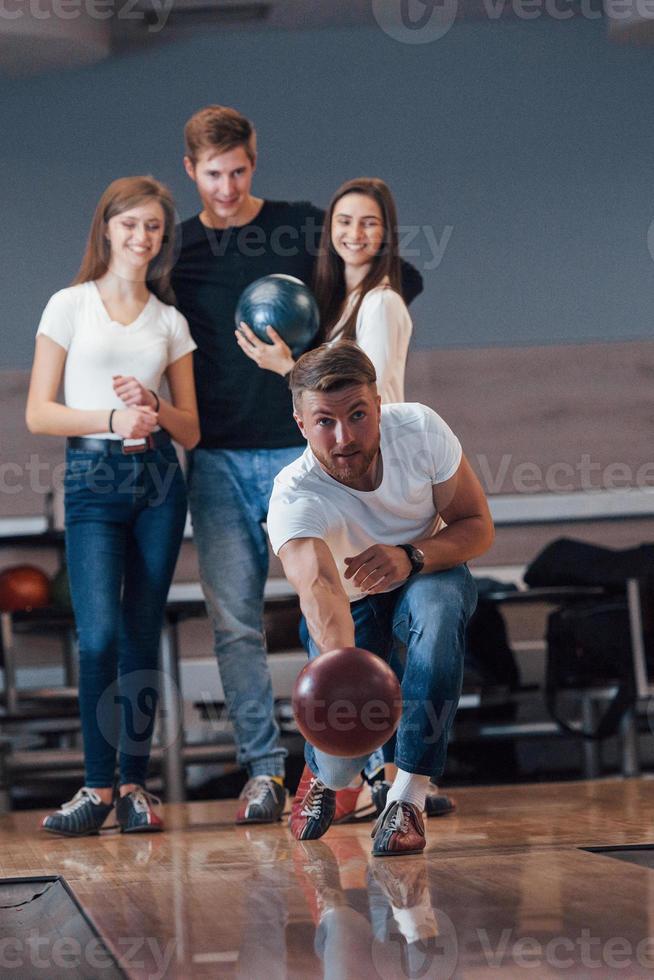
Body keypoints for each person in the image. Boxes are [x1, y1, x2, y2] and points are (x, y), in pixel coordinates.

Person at [172, 105, 423, 824]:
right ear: (191, 172)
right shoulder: (179, 251)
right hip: (216, 460)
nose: (228, 186)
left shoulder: (300, 225)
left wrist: (304, 364)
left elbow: (391, 276)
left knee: (332, 613)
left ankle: (361, 768)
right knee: (236, 624)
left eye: (241, 171)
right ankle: (262, 772)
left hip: (300, 456)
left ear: (256, 161)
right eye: (214, 174)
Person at [266, 342, 494, 855]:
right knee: (347, 750)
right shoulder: (294, 494)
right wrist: (347, 679)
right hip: (351, 604)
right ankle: (326, 772)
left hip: (425, 569)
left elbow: (476, 527)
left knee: (437, 616)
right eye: (325, 422)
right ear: (301, 424)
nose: (344, 437)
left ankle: (407, 800)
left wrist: (410, 555)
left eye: (358, 415)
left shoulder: (419, 430)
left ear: (379, 402)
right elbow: (321, 590)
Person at [26, 176, 200, 836]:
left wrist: (154, 408)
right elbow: (40, 413)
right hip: (93, 480)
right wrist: (112, 415)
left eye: (153, 227)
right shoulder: (69, 306)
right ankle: (95, 787)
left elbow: (193, 430)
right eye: (130, 225)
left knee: (139, 635)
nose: (142, 237)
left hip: (159, 483)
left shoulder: (170, 321)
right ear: (107, 229)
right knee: (97, 635)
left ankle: (134, 785)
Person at [236, 176, 412, 405]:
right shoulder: (340, 301)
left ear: (386, 232)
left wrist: (288, 368)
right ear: (330, 227)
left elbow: (363, 395)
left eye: (369, 223)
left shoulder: (381, 302)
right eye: (345, 221)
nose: (355, 234)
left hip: (372, 440)